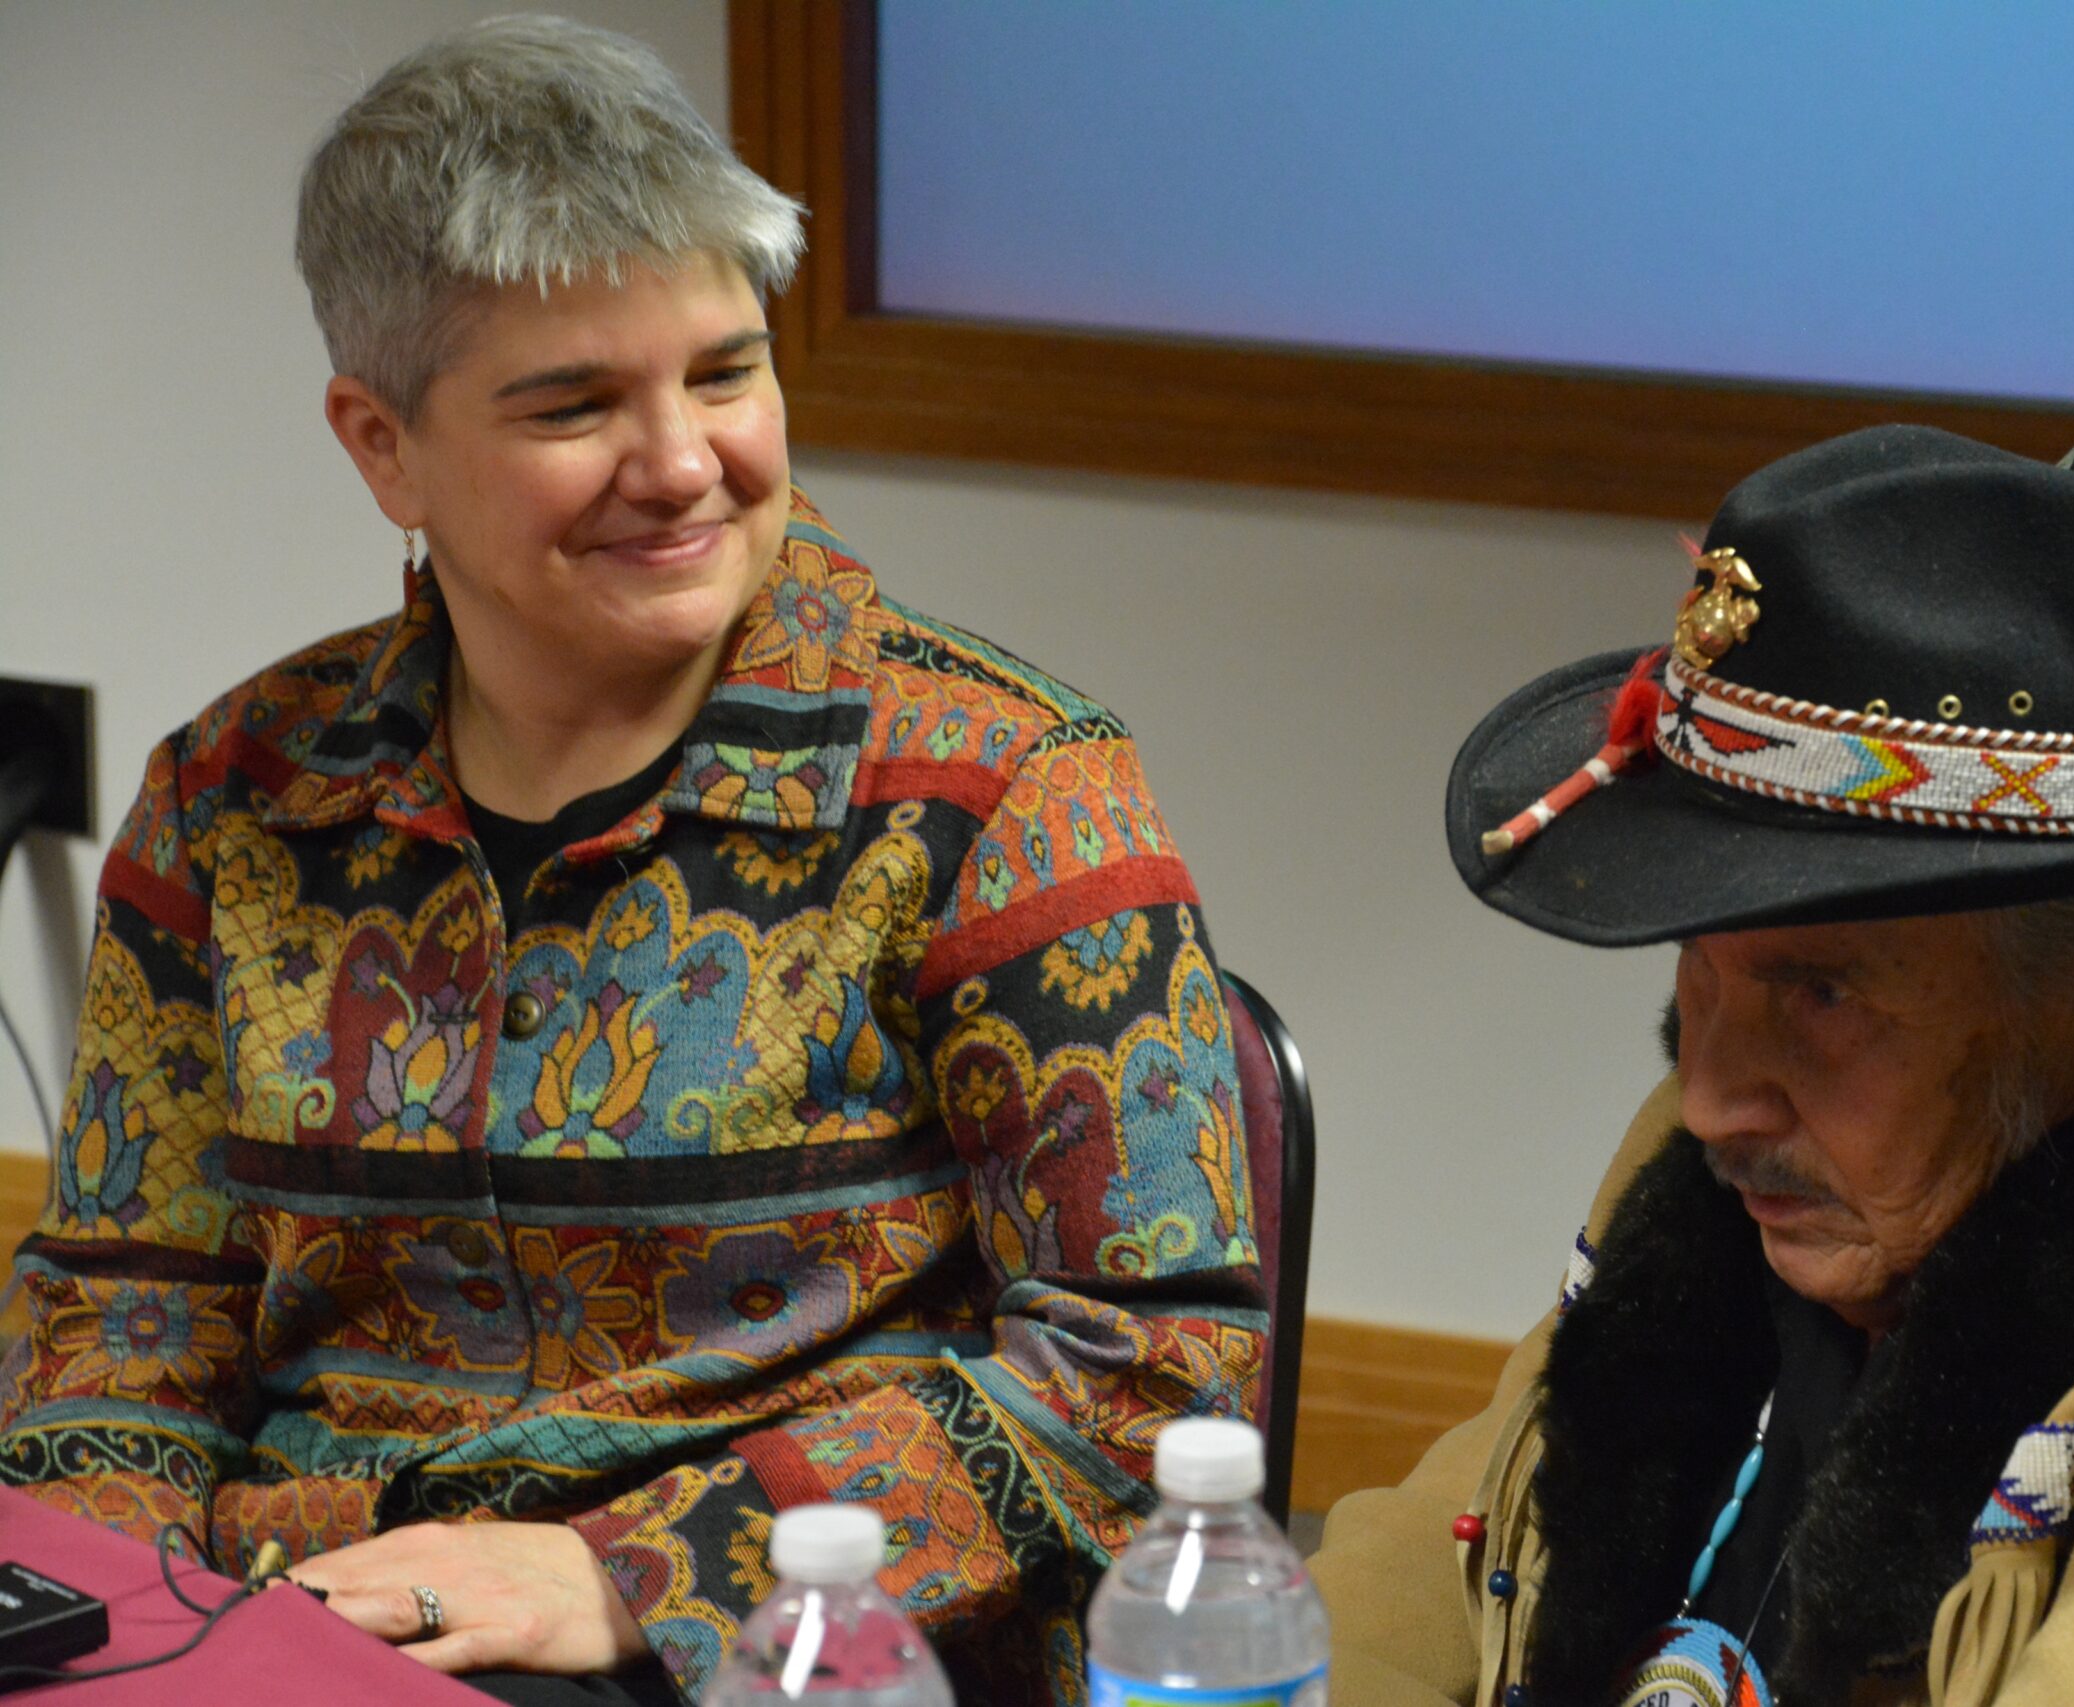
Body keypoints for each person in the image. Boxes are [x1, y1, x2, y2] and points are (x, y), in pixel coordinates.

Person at [0, 17, 1260, 1706]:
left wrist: (631, 1573)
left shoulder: (999, 784)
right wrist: (112, 1634)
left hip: (799, 1650)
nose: (684, 467)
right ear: (383, 444)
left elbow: (1159, 1373)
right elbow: (128, 1316)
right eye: (575, 404)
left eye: (726, 372)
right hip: (296, 1628)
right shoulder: (234, 802)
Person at [1310, 425, 2074, 1706]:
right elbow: (1429, 1569)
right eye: (1701, 965)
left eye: (1822, 990)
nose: (1708, 1097)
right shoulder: (1762, 1156)